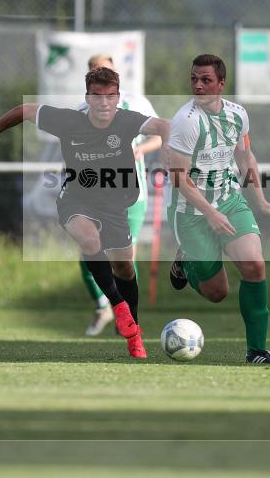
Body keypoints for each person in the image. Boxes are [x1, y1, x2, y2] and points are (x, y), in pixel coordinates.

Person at [0, 66, 170, 358]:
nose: (104, 103)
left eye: (110, 97)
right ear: (87, 98)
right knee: (89, 241)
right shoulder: (68, 121)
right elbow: (25, 110)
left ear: (118, 98)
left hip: (116, 203)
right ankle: (116, 305)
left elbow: (164, 127)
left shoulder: (128, 121)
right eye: (97, 96)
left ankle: (134, 332)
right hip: (77, 199)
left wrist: (169, 151)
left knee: (125, 266)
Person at [167, 54, 270, 364]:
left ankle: (256, 350)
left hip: (230, 201)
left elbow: (245, 156)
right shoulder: (185, 122)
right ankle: (185, 262)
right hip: (191, 213)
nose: (198, 85)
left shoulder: (237, 115)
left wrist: (260, 200)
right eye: (194, 79)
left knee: (255, 266)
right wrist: (209, 212)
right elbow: (178, 177)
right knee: (217, 292)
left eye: (206, 80)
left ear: (221, 83)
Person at [77, 54, 162, 336]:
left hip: (130, 194)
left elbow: (159, 135)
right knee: (88, 252)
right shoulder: (81, 110)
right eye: (95, 72)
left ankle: (127, 316)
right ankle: (105, 305)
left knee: (125, 258)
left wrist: (141, 150)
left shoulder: (136, 102)